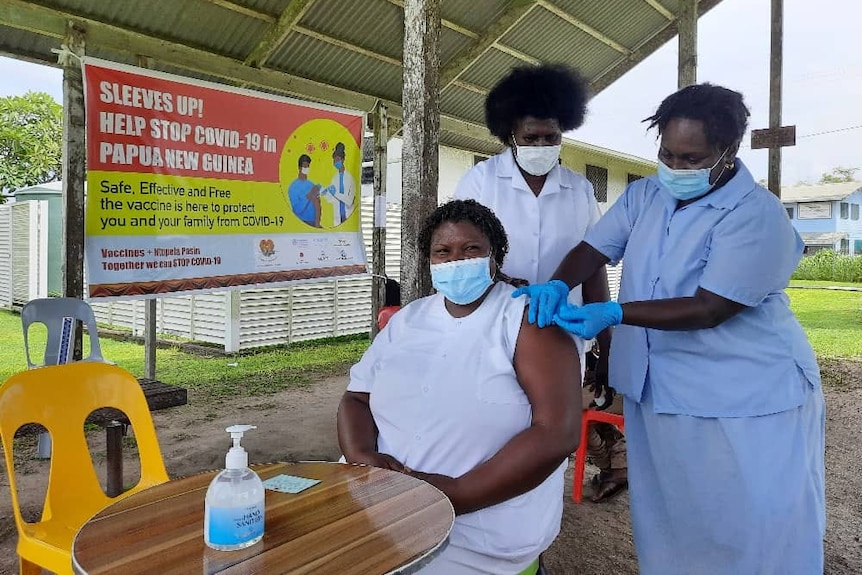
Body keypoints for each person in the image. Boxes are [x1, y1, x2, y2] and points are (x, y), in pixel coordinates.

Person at [516, 83, 825, 574]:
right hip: (659, 389)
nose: (676, 168)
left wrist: (616, 314)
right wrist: (556, 284)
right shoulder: (645, 195)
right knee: (673, 517)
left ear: (728, 152)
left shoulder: (755, 214)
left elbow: (710, 307)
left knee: (752, 523)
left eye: (691, 158)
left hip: (744, 397)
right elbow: (595, 248)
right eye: (667, 154)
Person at [337, 199, 581, 575]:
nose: (456, 260)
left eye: (471, 249)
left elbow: (557, 434)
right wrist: (361, 456)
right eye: (443, 251)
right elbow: (356, 397)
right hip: (380, 508)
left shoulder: (527, 322)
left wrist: (453, 495)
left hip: (479, 535)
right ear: (430, 262)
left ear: (494, 257)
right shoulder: (408, 320)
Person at [454, 63, 626, 501]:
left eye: (551, 137)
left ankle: (538, 513)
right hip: (491, 327)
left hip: (561, 332)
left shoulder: (578, 190)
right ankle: (483, 495)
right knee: (495, 420)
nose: (541, 146)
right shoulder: (480, 182)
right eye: (530, 138)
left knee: (550, 429)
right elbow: (461, 252)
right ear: (510, 134)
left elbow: (594, 268)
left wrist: (604, 344)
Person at [321, 142, 356, 227]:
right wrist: (325, 193)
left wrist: (335, 193)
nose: (336, 162)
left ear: (343, 160)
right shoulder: (334, 178)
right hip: (337, 219)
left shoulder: (350, 178)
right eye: (334, 160)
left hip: (348, 217)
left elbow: (349, 201)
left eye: (338, 159)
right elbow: (332, 200)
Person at [287, 154, 321, 227]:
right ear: (299, 167)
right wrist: (310, 195)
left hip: (314, 223)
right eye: (305, 166)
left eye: (308, 166)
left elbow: (317, 205)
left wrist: (317, 224)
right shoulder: (293, 187)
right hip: (300, 224)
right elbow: (297, 210)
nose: (307, 168)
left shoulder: (311, 185)